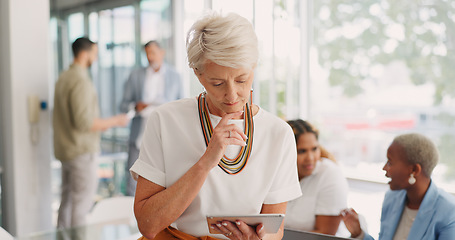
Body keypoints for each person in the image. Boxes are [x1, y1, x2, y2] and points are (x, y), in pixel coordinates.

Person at [130, 12, 302, 240]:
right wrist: (206, 162)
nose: (232, 94)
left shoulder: (278, 133)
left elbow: (275, 229)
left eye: (241, 79)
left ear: (254, 66)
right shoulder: (166, 120)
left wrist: (258, 239)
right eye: (217, 83)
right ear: (198, 74)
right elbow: (148, 225)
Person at [53, 37, 129, 228]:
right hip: (81, 152)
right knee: (81, 206)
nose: (96, 58)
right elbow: (84, 122)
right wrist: (116, 121)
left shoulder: (64, 77)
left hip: (66, 151)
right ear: (85, 54)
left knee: (68, 202)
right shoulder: (80, 80)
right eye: (94, 54)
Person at [341, 133, 455, 240]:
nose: (384, 168)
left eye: (390, 162)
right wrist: (359, 234)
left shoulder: (449, 212)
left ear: (414, 170)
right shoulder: (392, 198)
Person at [120, 40, 183, 196]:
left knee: (165, 178)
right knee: (132, 179)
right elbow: (122, 105)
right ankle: (131, 217)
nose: (150, 57)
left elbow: (182, 105)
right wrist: (135, 106)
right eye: (147, 54)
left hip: (166, 134)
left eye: (153, 53)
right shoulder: (135, 76)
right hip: (139, 134)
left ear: (162, 53)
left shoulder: (175, 76)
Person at [284, 119, 349, 235]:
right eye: (302, 151)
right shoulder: (277, 174)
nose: (310, 158)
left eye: (314, 149)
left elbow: (325, 235)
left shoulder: (330, 174)